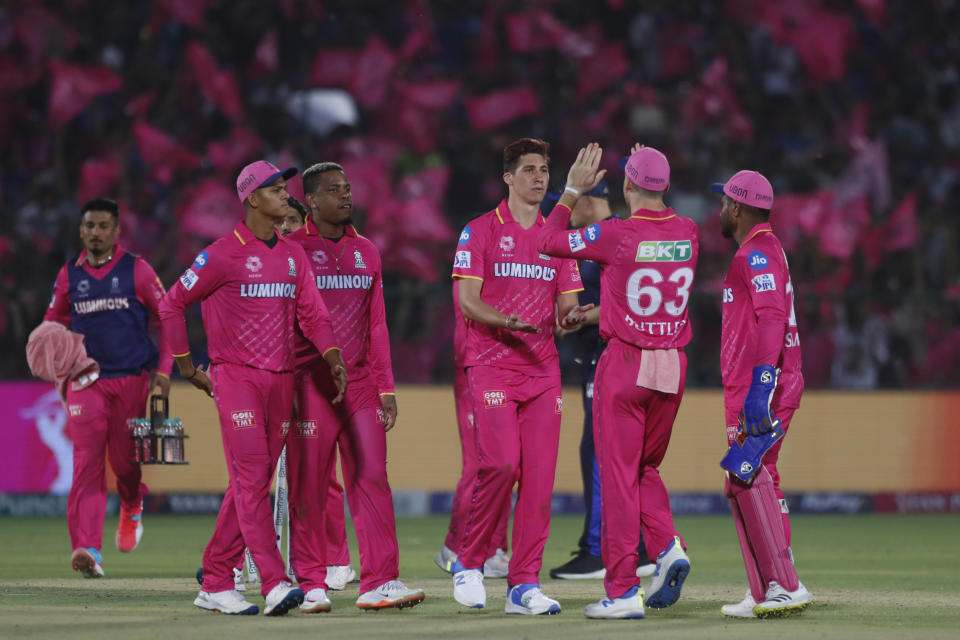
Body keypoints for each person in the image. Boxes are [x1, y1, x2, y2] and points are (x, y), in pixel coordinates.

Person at [159, 160, 347, 617]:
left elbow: (315, 316)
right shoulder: (220, 254)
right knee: (251, 479)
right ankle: (274, 581)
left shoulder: (292, 255)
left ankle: (217, 579)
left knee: (253, 482)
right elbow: (171, 304)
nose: (286, 196)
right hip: (237, 377)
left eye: (285, 189)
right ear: (252, 199)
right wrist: (186, 367)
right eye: (277, 189)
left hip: (282, 381)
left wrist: (332, 357)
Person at [538, 144, 698, 619]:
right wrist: (602, 312)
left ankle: (624, 590)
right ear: (665, 187)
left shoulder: (615, 234)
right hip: (671, 365)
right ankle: (668, 547)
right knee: (645, 469)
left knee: (619, 480)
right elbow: (652, 288)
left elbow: (548, 241)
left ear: (627, 185)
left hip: (626, 365)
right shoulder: (689, 233)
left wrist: (570, 192)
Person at [449, 137, 590, 615]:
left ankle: (522, 585)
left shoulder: (558, 239)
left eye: (545, 169)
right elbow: (467, 301)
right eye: (529, 169)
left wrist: (572, 320)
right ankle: (468, 562)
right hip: (491, 363)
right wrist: (508, 322)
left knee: (539, 481)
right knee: (502, 464)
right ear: (508, 178)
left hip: (543, 370)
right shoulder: (479, 231)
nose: (540, 177)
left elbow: (567, 309)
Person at [285, 162, 424, 611]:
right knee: (309, 486)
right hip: (309, 384)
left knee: (372, 478)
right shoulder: (291, 250)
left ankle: (380, 581)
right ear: (310, 199)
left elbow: (377, 324)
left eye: (347, 188)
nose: (345, 196)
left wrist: (387, 388)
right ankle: (310, 583)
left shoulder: (368, 251)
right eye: (333, 190)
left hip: (362, 384)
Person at [43, 197, 171, 578]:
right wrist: (56, 363)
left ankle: (132, 503)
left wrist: (164, 371)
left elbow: (167, 320)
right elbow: (54, 322)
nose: (95, 233)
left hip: (132, 379)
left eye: (102, 226)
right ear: (81, 231)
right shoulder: (69, 275)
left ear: (116, 232)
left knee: (125, 463)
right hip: (87, 380)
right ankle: (88, 549)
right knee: (86, 463)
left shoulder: (139, 271)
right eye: (88, 227)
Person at [710, 170, 815, 618]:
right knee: (752, 479)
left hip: (761, 387)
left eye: (722, 202)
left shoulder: (755, 255)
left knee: (745, 474)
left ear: (736, 207)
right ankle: (765, 588)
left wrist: (761, 387)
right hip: (759, 383)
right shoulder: (766, 250)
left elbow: (772, 319)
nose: (718, 209)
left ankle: (783, 586)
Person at [544, 181, 655, 582]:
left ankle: (599, 550)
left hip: (613, 359)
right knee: (621, 455)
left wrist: (578, 318)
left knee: (599, 451)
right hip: (603, 359)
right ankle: (637, 549)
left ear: (590, 200)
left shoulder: (611, 237)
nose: (566, 210)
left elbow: (628, 300)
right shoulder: (618, 237)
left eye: (571, 202)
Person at [434, 279, 511, 580]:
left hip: (507, 369)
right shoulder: (474, 258)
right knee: (481, 464)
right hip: (476, 368)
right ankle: (455, 547)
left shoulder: (506, 256)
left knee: (506, 464)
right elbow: (471, 311)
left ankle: (493, 549)